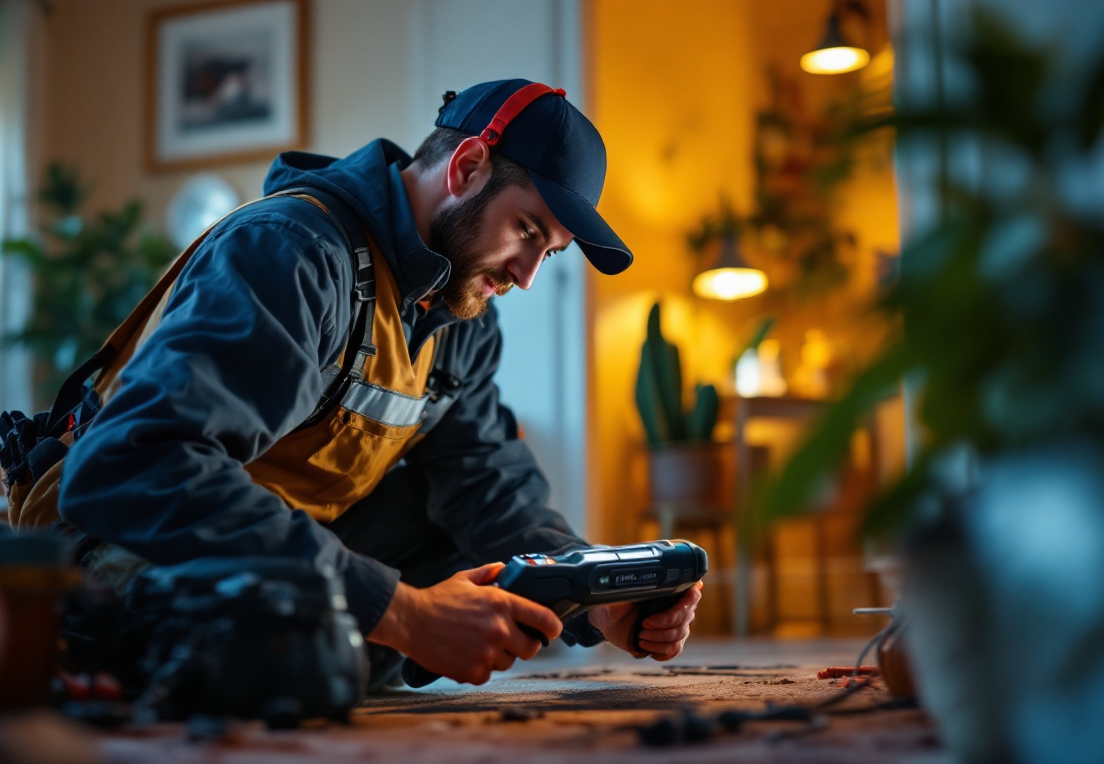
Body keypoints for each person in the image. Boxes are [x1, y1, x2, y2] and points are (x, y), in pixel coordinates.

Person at [56, 79, 703, 686]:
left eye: (549, 251)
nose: (528, 274)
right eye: (527, 232)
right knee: (277, 650)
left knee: (473, 545)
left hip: (286, 547)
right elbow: (135, 465)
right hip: (130, 540)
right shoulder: (293, 255)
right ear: (468, 167)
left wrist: (592, 601)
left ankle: (328, 641)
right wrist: (398, 610)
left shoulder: (461, 315)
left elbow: (486, 481)